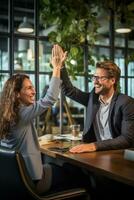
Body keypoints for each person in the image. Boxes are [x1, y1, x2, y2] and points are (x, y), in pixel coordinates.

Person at [0, 44, 89, 194]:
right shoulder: (22, 113)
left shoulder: (6, 112)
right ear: (16, 94)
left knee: (56, 166)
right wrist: (57, 66)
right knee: (77, 172)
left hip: (13, 182)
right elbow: (50, 98)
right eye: (29, 88)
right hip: (32, 182)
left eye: (33, 87)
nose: (34, 91)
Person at [57, 45, 134, 153]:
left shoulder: (126, 103)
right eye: (94, 77)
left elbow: (127, 139)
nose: (95, 81)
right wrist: (61, 66)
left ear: (112, 80)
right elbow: (69, 90)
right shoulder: (92, 99)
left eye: (100, 78)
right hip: (96, 154)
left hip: (117, 155)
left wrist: (93, 146)